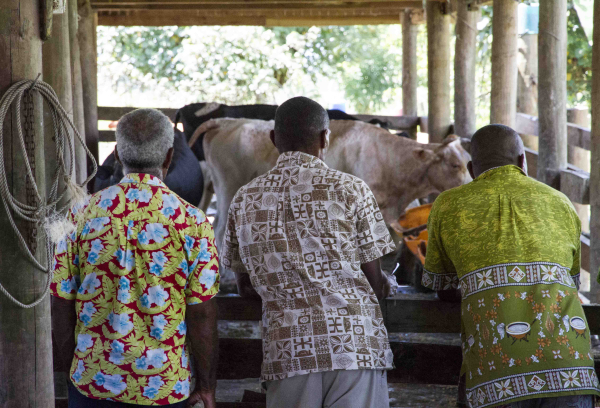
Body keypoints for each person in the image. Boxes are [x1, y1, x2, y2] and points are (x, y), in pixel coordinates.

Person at [221, 96, 396, 408]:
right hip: (354, 346)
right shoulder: (351, 189)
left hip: (289, 351)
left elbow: (243, 284)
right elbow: (374, 280)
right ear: (325, 138)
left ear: (274, 139)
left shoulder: (244, 199)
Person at [51, 109, 220, 408]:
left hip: (93, 381)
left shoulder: (80, 215)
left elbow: (62, 300)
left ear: (116, 155)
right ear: (169, 158)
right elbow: (202, 313)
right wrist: (205, 385)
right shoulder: (192, 222)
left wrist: (72, 371)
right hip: (163, 387)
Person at [423, 124, 600, 408]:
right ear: (522, 161)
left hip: (496, 373)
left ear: (470, 168)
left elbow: (441, 286)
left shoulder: (448, 205)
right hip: (571, 368)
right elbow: (570, 283)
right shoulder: (561, 203)